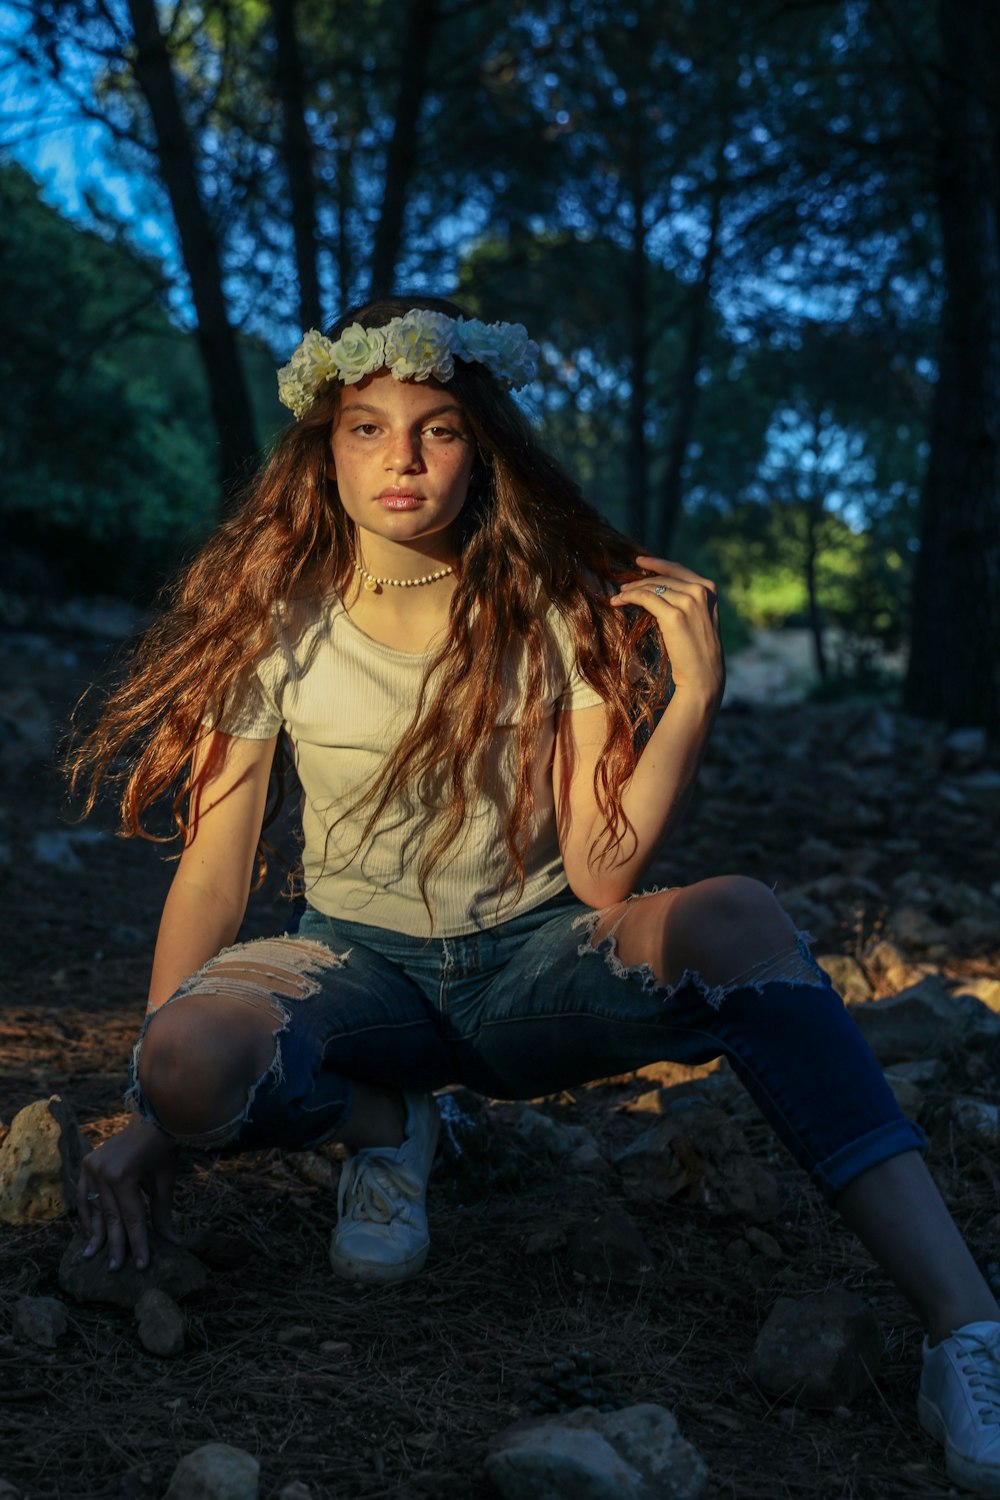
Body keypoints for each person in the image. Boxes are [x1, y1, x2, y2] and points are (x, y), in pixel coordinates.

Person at [70, 296, 999, 1494]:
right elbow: (214, 867)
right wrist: (155, 1107)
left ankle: (965, 1330)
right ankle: (390, 1121)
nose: (402, 459)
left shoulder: (551, 606)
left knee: (741, 917)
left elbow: (604, 871)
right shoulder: (275, 627)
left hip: (534, 972)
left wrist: (692, 700)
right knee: (187, 1057)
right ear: (324, 447)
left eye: (438, 427)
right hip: (352, 975)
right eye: (368, 427)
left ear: (483, 445)